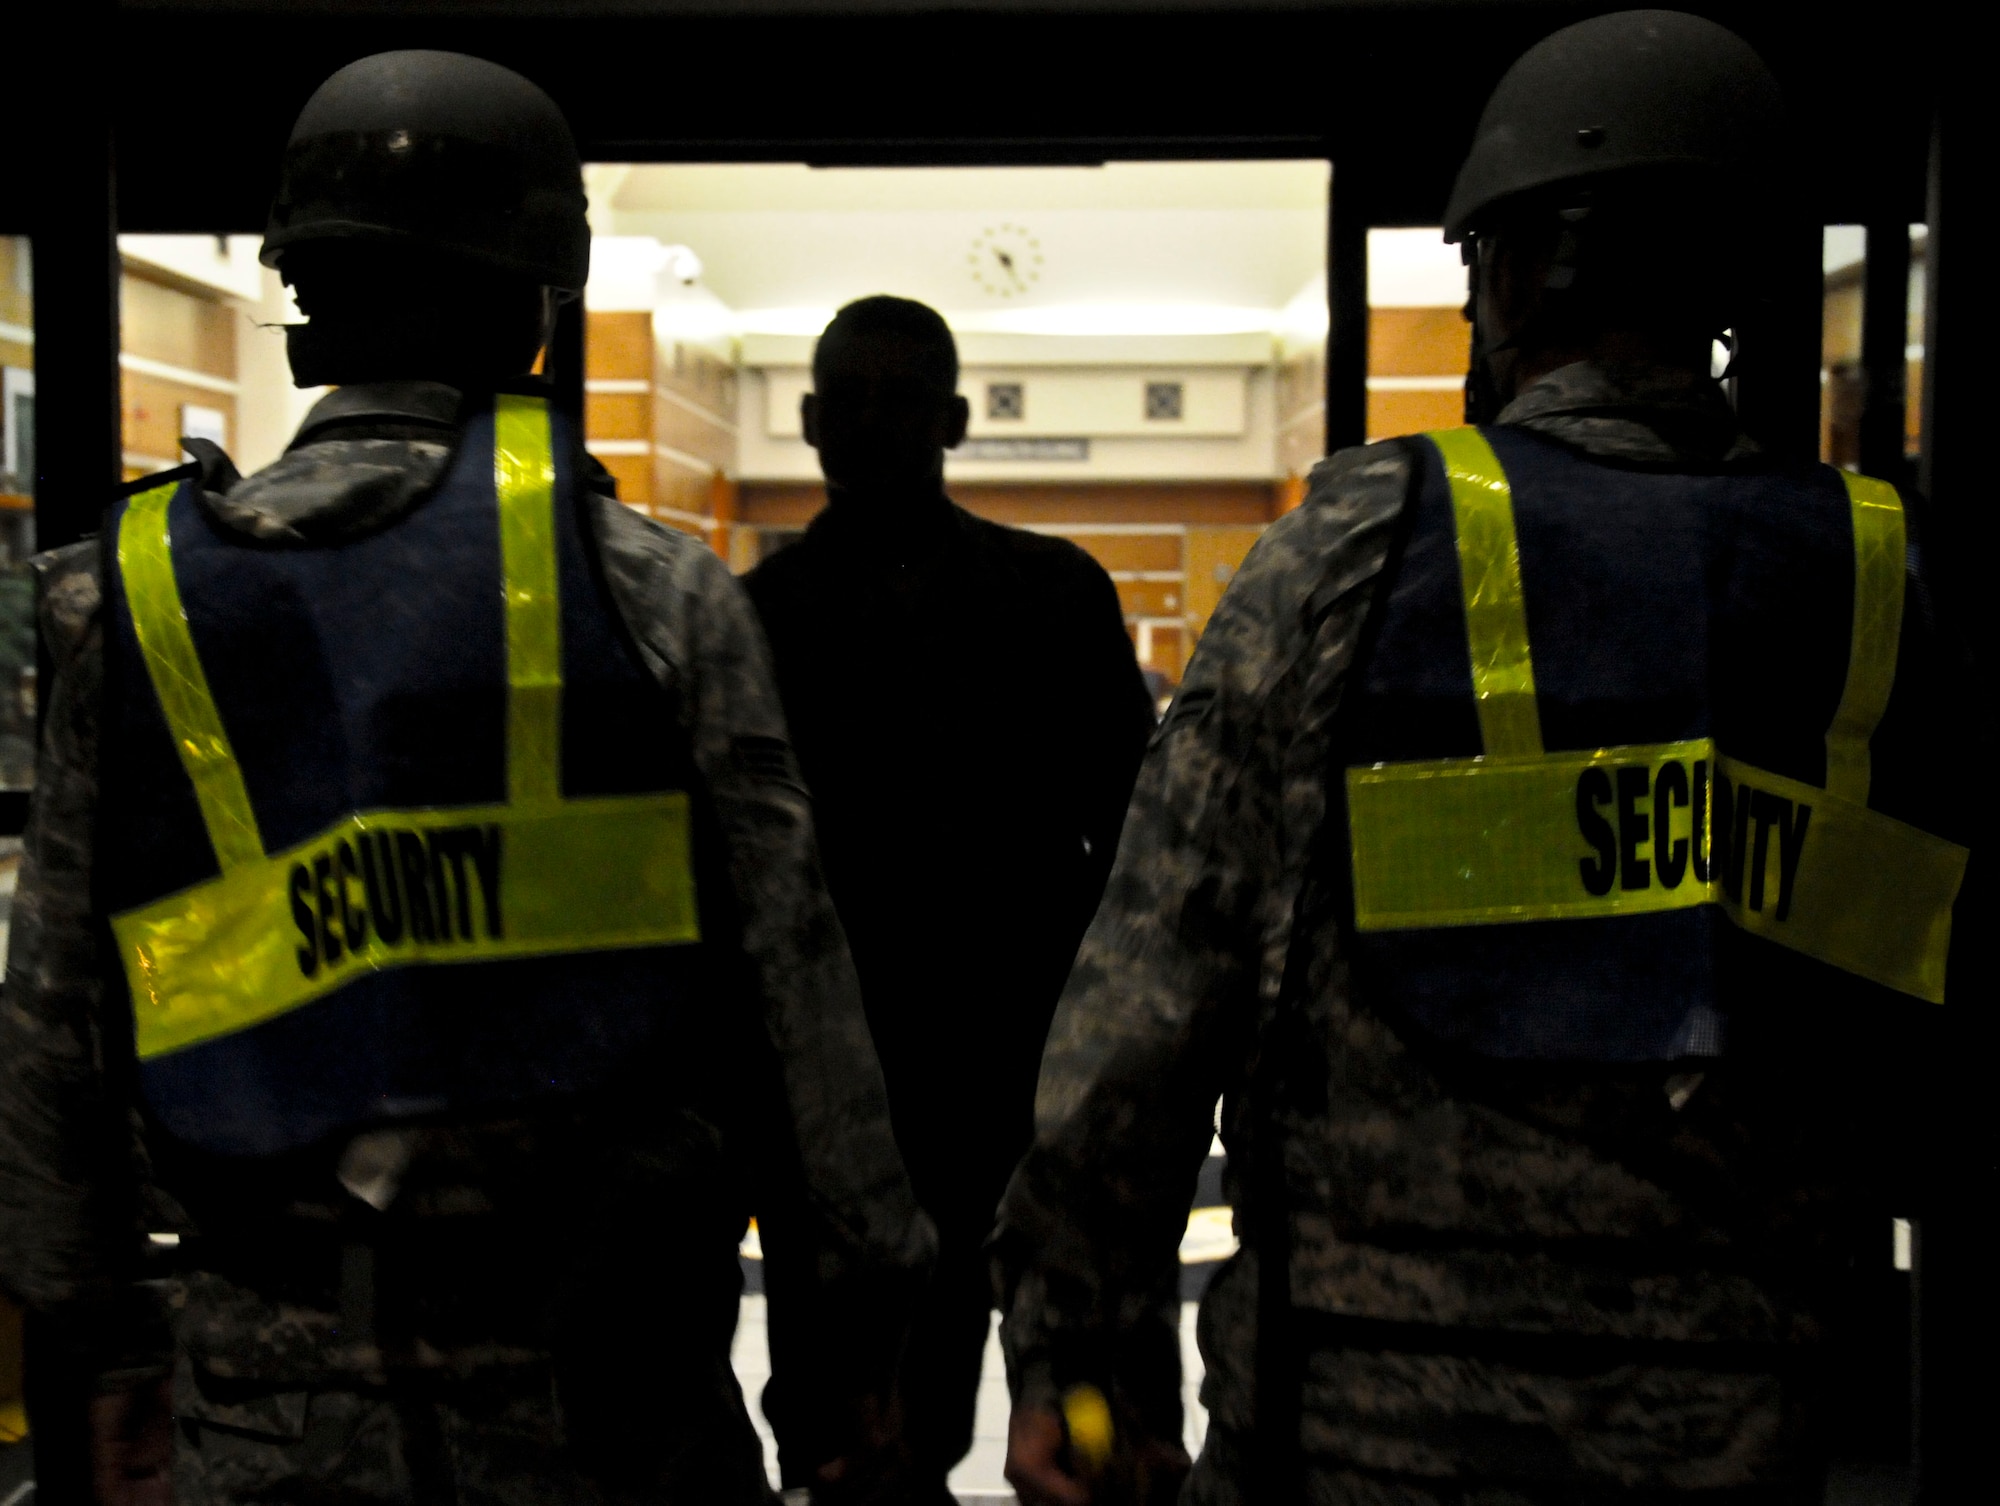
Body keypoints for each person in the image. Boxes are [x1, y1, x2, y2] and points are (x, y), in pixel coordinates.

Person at [993, 11, 1973, 1505]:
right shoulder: (1881, 583)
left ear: (1507, 276)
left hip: (1357, 1406)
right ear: (1741, 279)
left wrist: (1085, 1370)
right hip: (1739, 1407)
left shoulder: (1354, 548)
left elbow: (1141, 1016)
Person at [0, 50, 931, 1506]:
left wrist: (105, 1354)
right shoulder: (652, 596)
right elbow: (796, 1029)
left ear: (304, 294)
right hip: (606, 1418)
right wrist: (846, 1356)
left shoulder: (123, 605)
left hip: (261, 1422)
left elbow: (54, 1037)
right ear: (541, 302)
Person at [744, 297, 1154, 1501]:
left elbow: (1129, 852)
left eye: (894, 400)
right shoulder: (755, 619)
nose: (869, 425)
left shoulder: (1048, 598)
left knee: (1039, 1423)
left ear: (954, 420)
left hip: (985, 1088)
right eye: (851, 401)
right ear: (812, 423)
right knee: (863, 1440)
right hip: (891, 1088)